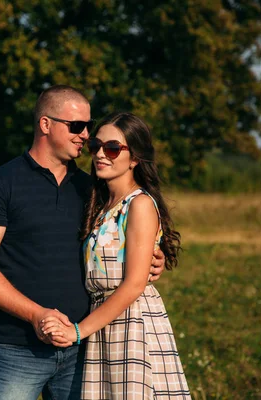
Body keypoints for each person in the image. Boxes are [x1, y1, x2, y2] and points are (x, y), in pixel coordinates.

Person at [0, 86, 166, 400]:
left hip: (87, 349)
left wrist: (152, 256)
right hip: (18, 348)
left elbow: (118, 237)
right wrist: (36, 315)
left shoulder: (92, 189)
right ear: (45, 125)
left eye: (88, 127)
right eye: (77, 126)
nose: (85, 135)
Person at [41, 112, 191, 399]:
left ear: (134, 158)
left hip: (131, 323)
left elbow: (134, 284)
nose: (100, 154)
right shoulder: (102, 204)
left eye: (111, 148)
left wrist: (77, 331)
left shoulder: (140, 204)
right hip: (103, 326)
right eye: (96, 145)